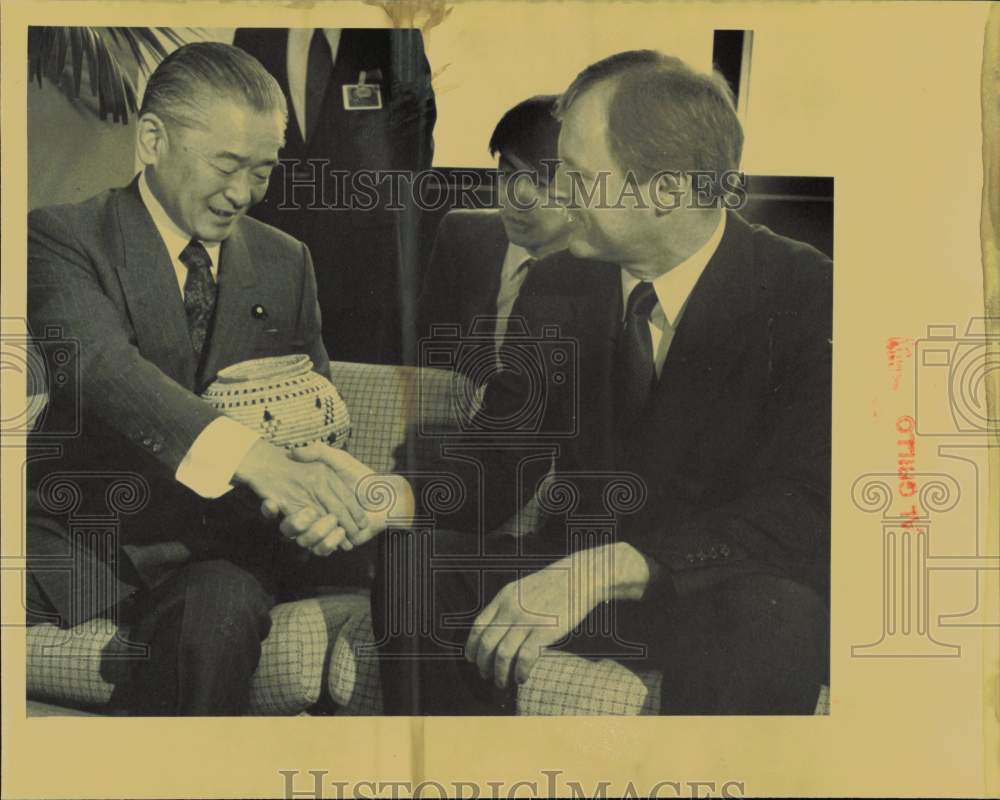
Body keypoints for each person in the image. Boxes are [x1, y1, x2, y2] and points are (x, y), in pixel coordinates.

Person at [283, 49, 833, 715]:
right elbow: (499, 459)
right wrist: (384, 497)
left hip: (713, 589)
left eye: (573, 173)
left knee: (774, 618)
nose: (557, 193)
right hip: (579, 579)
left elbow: (806, 509)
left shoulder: (809, 295)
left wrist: (608, 569)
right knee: (418, 567)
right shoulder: (558, 282)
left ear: (665, 191)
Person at [25, 42, 372, 716]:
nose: (243, 193)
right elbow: (98, 367)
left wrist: (312, 505)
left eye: (262, 171)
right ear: (153, 140)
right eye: (226, 165)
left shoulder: (287, 261)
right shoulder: (64, 237)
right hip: (79, 541)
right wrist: (259, 460)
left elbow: (315, 413)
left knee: (211, 629)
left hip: (218, 551)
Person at [232, 28, 437, 365]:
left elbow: (416, 131)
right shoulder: (256, 34)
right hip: (275, 241)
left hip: (364, 253)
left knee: (360, 368)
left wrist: (387, 210)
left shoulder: (387, 33)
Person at [415, 95, 572, 368]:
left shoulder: (605, 261)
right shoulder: (461, 236)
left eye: (541, 182)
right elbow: (429, 359)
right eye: (508, 175)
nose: (518, 199)